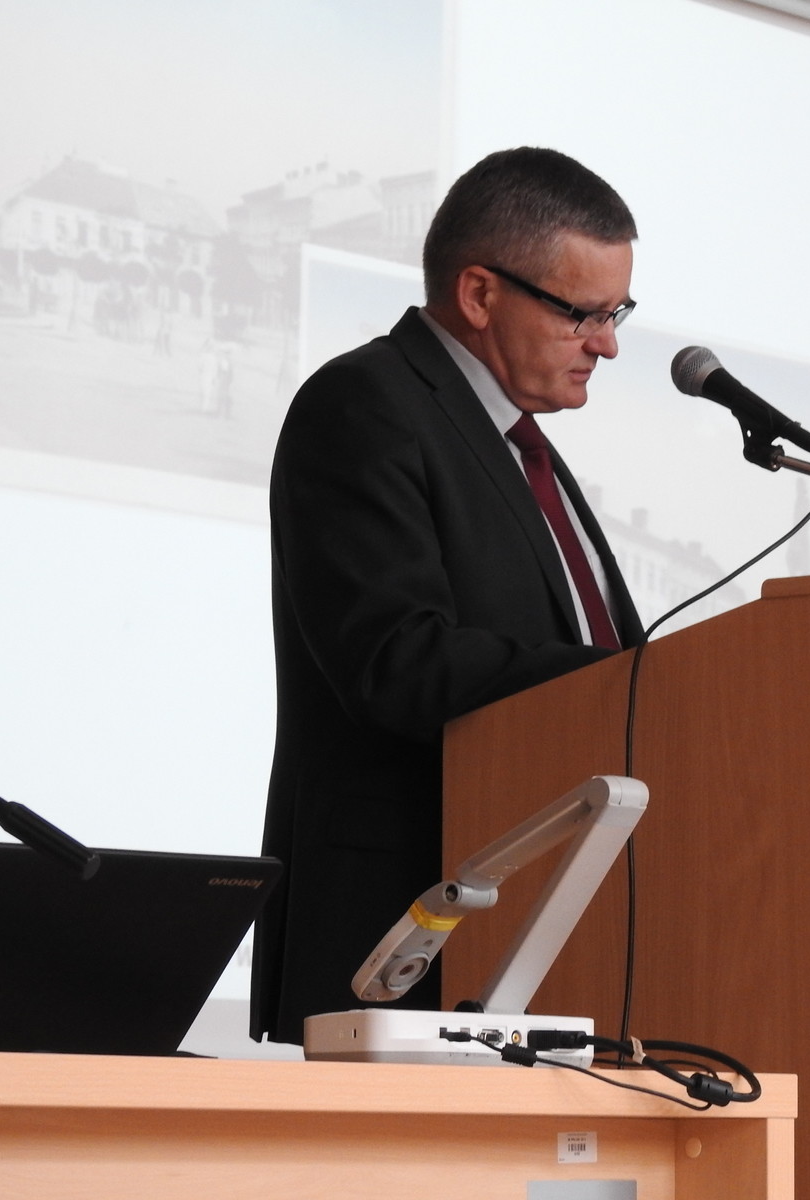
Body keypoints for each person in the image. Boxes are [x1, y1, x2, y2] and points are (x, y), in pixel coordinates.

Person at [252, 148, 645, 1046]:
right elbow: (396, 662)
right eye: (583, 314)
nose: (607, 343)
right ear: (478, 294)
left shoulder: (517, 441)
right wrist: (628, 682)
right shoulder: (364, 404)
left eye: (616, 313)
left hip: (543, 929)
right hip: (404, 933)